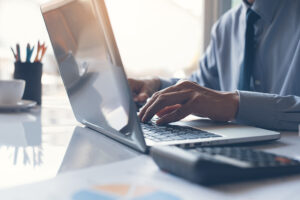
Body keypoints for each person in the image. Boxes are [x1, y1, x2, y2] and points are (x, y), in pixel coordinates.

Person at [129, 0, 300, 131]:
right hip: (234, 154)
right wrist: (156, 85)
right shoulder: (226, 26)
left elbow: (218, 100)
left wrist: (235, 105)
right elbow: (202, 89)